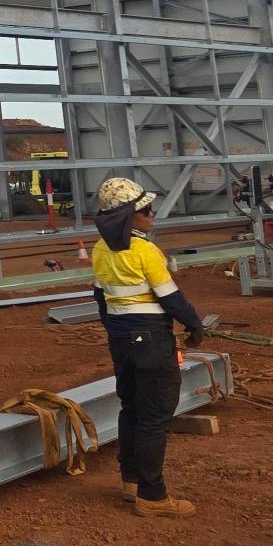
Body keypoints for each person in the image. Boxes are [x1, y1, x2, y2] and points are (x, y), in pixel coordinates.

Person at [91, 176, 207, 518]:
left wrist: (116, 331)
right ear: (129, 217)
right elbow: (171, 297)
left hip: (121, 341)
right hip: (152, 342)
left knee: (132, 409)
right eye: (146, 211)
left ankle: (131, 482)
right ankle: (153, 496)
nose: (152, 215)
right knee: (154, 417)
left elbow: (100, 297)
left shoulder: (100, 249)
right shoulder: (144, 251)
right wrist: (195, 325)